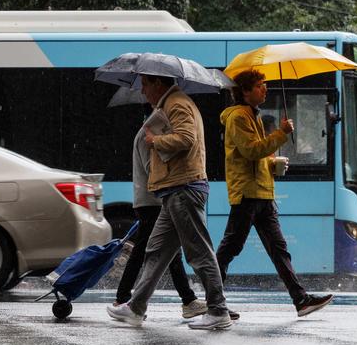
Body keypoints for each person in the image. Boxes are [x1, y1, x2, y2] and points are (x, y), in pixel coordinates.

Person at [107, 75, 232, 330]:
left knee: (198, 251)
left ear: (158, 83)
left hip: (183, 188)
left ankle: (218, 310)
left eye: (145, 85)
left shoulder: (176, 103)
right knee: (156, 250)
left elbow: (187, 139)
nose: (143, 91)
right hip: (174, 190)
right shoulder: (170, 104)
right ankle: (135, 308)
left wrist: (156, 141)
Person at [216, 70, 333, 317]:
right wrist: (280, 134)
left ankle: (301, 300)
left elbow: (256, 156)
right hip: (247, 194)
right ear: (245, 91)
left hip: (262, 193)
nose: (265, 89)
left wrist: (272, 163)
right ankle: (213, 302)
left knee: (278, 248)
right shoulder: (238, 117)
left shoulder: (252, 115)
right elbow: (250, 151)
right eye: (260, 85)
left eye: (265, 85)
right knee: (230, 248)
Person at [113, 104, 207, 319]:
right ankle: (124, 298)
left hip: (151, 201)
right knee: (155, 252)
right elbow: (152, 170)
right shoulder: (147, 136)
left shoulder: (146, 134)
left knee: (168, 252)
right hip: (152, 201)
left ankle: (187, 299)